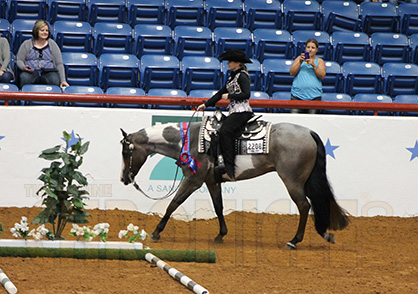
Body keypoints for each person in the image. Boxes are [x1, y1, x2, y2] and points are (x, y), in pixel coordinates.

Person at [197, 49, 253, 180]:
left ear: (238, 63)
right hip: (235, 111)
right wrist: (206, 104)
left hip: (242, 111)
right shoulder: (232, 77)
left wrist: (230, 96)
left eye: (230, 61)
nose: (228, 63)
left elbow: (247, 94)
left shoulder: (243, 76)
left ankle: (230, 169)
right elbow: (220, 93)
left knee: (225, 132)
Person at [16, 20, 69, 89]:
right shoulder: (26, 44)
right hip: (31, 72)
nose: (45, 32)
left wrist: (63, 80)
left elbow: (59, 63)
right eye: (42, 30)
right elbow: (19, 60)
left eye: (47, 31)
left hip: (48, 72)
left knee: (54, 79)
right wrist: (23, 67)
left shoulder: (52, 44)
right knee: (24, 78)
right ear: (36, 31)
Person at [289, 38, 326, 114]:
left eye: (313, 48)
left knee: (312, 122)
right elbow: (292, 73)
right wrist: (300, 62)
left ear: (316, 50)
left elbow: (322, 75)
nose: (310, 50)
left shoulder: (319, 61)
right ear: (305, 48)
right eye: (308, 47)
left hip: (314, 97)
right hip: (297, 96)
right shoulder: (299, 59)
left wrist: (313, 65)